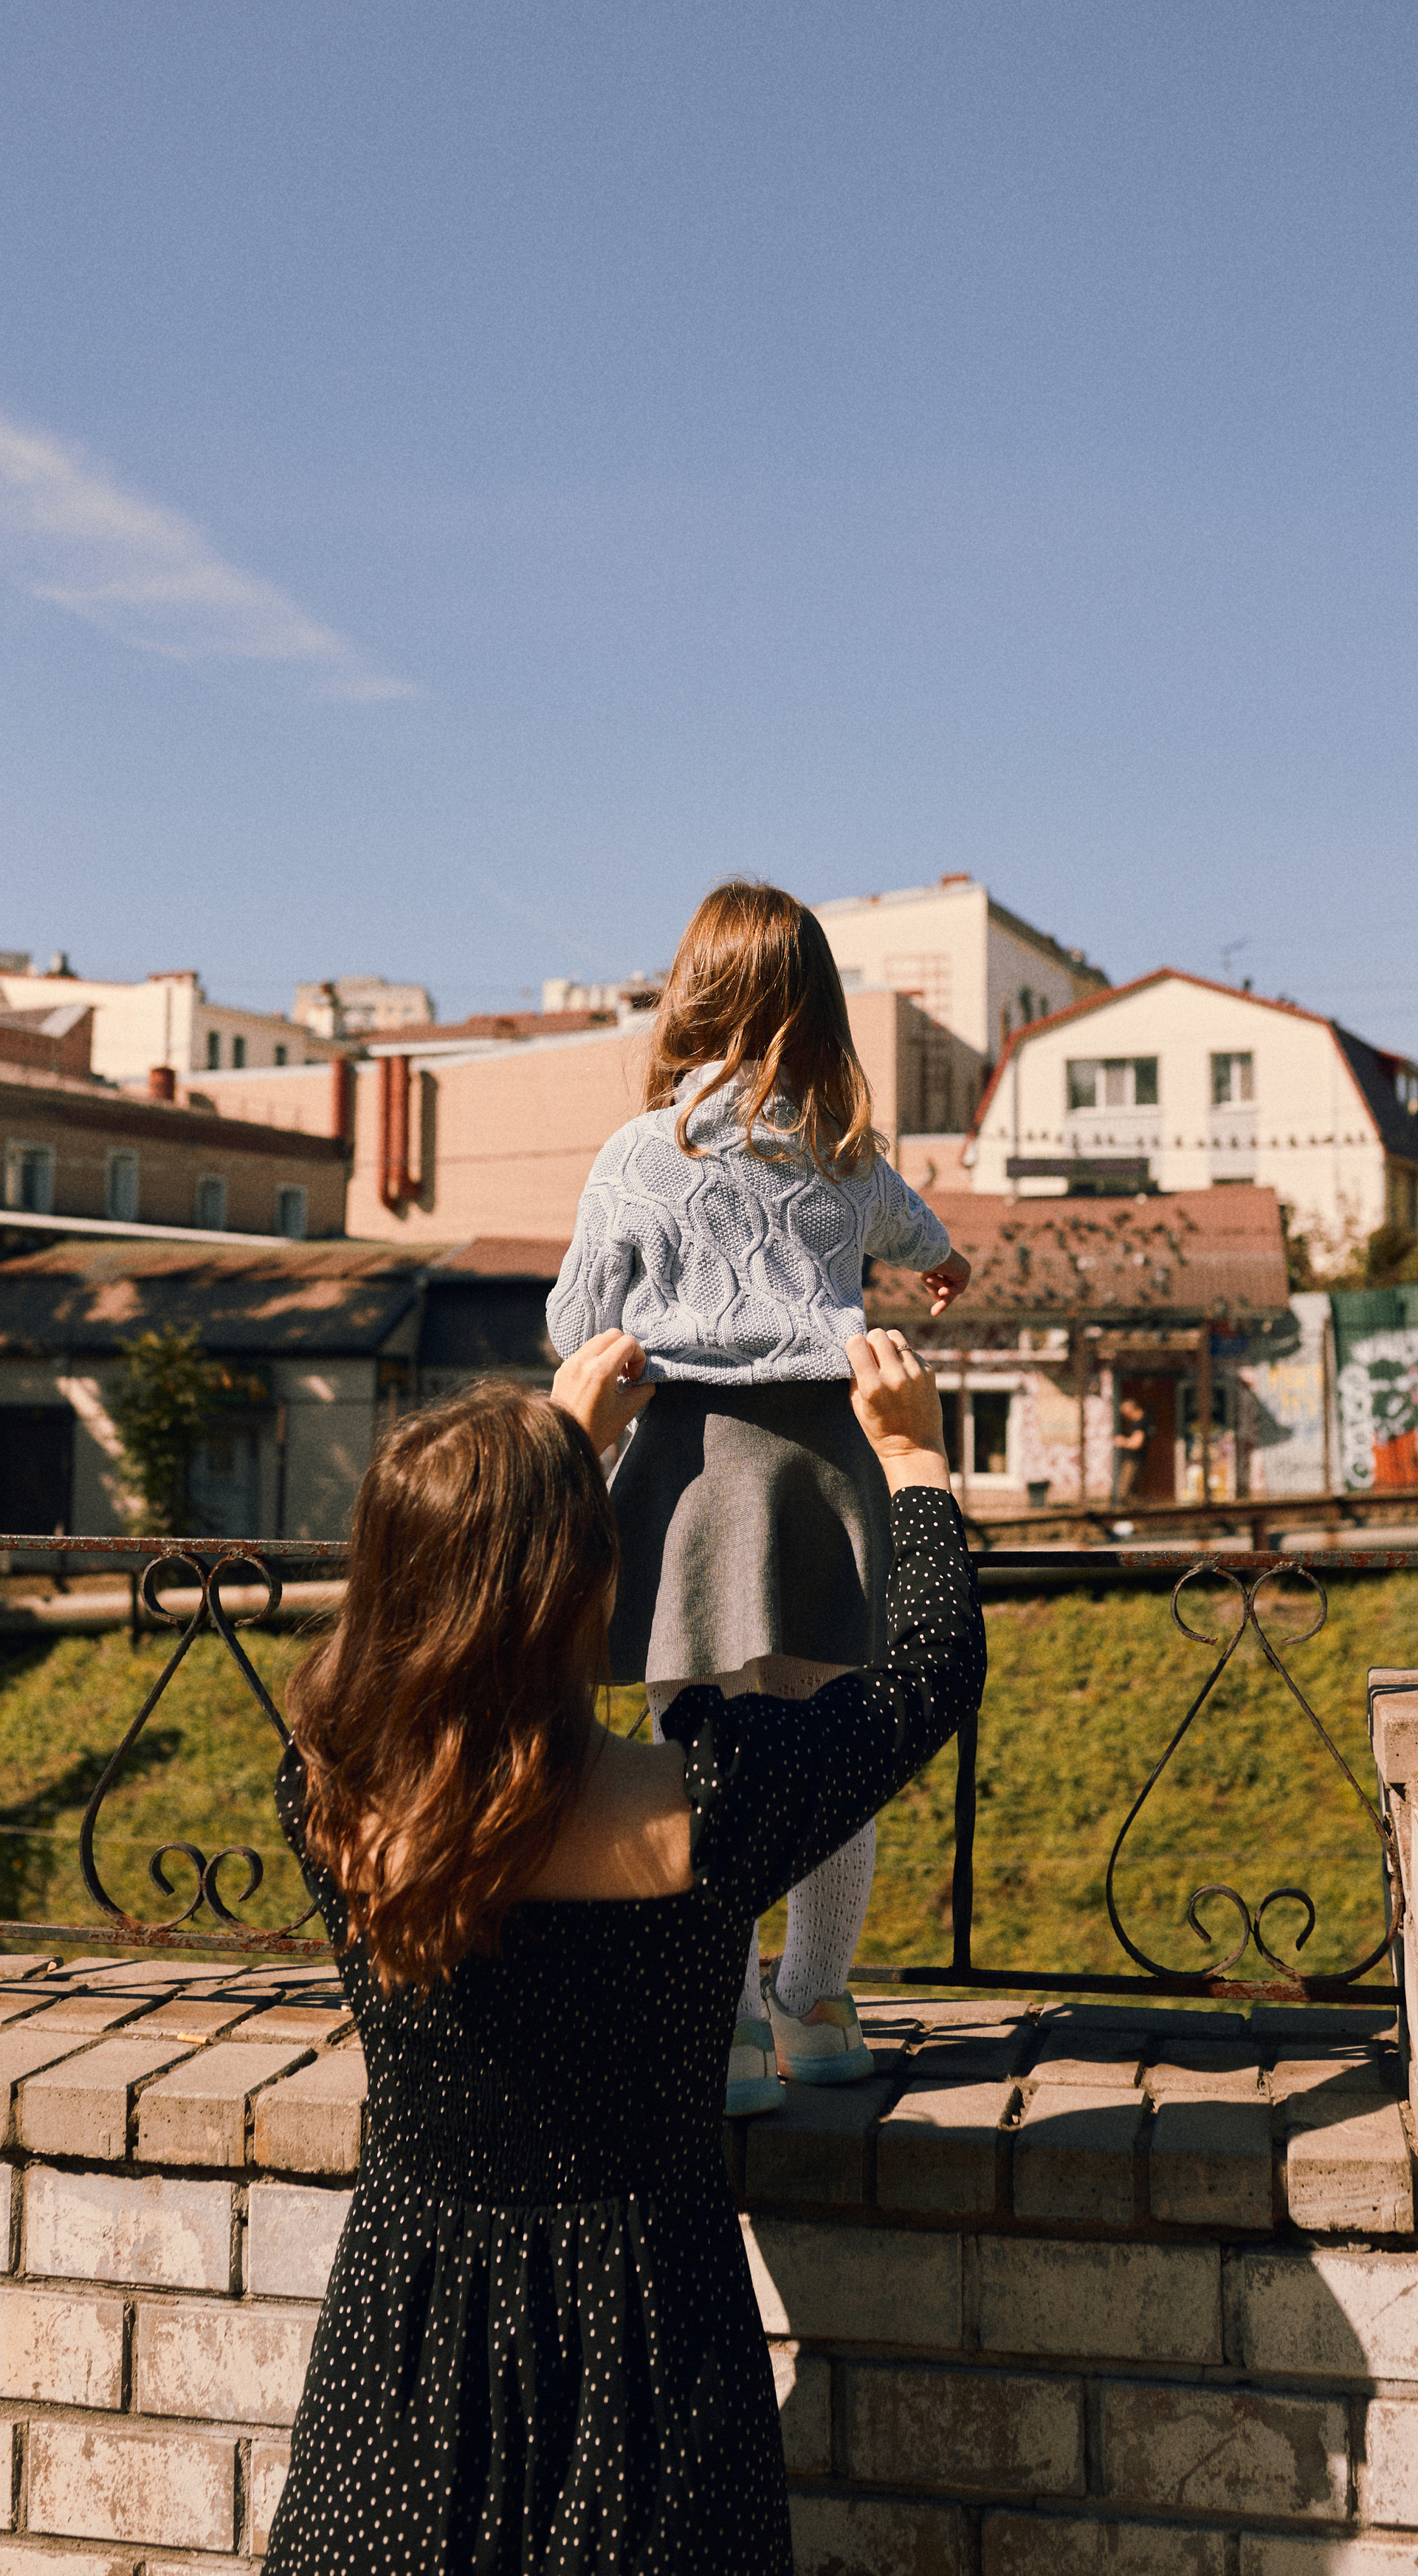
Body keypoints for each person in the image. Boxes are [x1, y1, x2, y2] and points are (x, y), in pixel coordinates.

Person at [264, 1326, 984, 2576]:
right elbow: (929, 1675)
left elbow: (448, 1682)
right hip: (647, 2343)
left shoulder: (326, 1795)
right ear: (588, 1591)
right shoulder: (711, 1806)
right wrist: (915, 1460)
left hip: (409, 2339)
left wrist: (554, 1460)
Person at [546, 881, 969, 2110]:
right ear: (819, 1007)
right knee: (830, 1749)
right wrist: (936, 1261)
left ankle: (722, 2030)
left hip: (685, 1478)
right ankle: (818, 2007)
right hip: (830, 1472)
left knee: (694, 1758)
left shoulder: (640, 1155)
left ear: (691, 994)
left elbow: (577, 1321)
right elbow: (912, 1228)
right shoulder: (841, 1148)